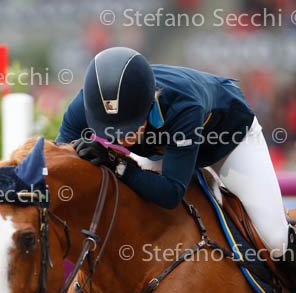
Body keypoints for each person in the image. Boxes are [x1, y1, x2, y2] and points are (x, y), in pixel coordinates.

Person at [55, 46, 296, 271]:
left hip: (229, 141)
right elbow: (57, 160)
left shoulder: (183, 105)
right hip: (166, 149)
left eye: (130, 126)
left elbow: (170, 193)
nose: (122, 136)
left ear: (149, 102)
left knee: (276, 240)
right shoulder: (89, 103)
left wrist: (116, 164)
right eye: (111, 128)